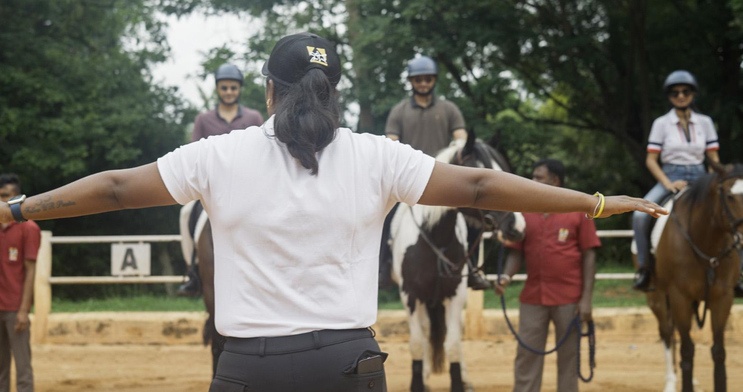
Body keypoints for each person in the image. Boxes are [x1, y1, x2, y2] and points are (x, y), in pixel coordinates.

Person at [0, 32, 666, 392]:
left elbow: (115, 188)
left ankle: (189, 272)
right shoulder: (378, 155)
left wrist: (18, 208)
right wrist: (597, 201)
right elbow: (482, 190)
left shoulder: (219, 155)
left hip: (247, 369)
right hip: (348, 367)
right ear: (334, 93)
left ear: (267, 89)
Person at [632, 70, 743, 297]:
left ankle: (740, 271)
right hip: (671, 175)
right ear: (669, 96)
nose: (680, 96)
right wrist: (668, 184)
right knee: (640, 215)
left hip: (702, 176)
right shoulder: (661, 123)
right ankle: (645, 268)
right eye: (675, 92)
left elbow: (714, 158)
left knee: (730, 208)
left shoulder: (705, 122)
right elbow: (651, 160)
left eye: (685, 91)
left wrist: (713, 180)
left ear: (693, 94)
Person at [383, 56, 493, 290]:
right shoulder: (399, 111)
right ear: (411, 81)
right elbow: (390, 144)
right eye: (418, 79)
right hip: (409, 180)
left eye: (427, 79)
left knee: (472, 217)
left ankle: (471, 268)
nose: (423, 83)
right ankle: (384, 267)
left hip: (442, 179)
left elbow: (461, 141)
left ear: (434, 80)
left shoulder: (449, 109)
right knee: (386, 218)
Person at [494, 159, 600, 392]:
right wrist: (506, 278)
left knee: (569, 359)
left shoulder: (578, 208)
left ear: (555, 181)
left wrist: (586, 300)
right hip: (533, 298)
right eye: (533, 176)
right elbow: (515, 253)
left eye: (539, 177)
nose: (533, 181)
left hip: (569, 299)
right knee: (527, 356)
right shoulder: (524, 210)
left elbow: (589, 255)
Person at [178, 63, 264, 297]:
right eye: (224, 87)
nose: (228, 92)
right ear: (218, 89)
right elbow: (194, 152)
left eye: (233, 88)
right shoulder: (204, 120)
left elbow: (263, 151)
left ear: (239, 89)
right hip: (212, 187)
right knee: (185, 213)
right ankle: (192, 272)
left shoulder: (253, 117)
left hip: (246, 185)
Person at [0, 173, 40, 392]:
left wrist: (24, 310)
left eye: (6, 196)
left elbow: (30, 270)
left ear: (17, 197)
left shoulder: (29, 228)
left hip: (16, 308)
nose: (2, 201)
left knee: (23, 369)